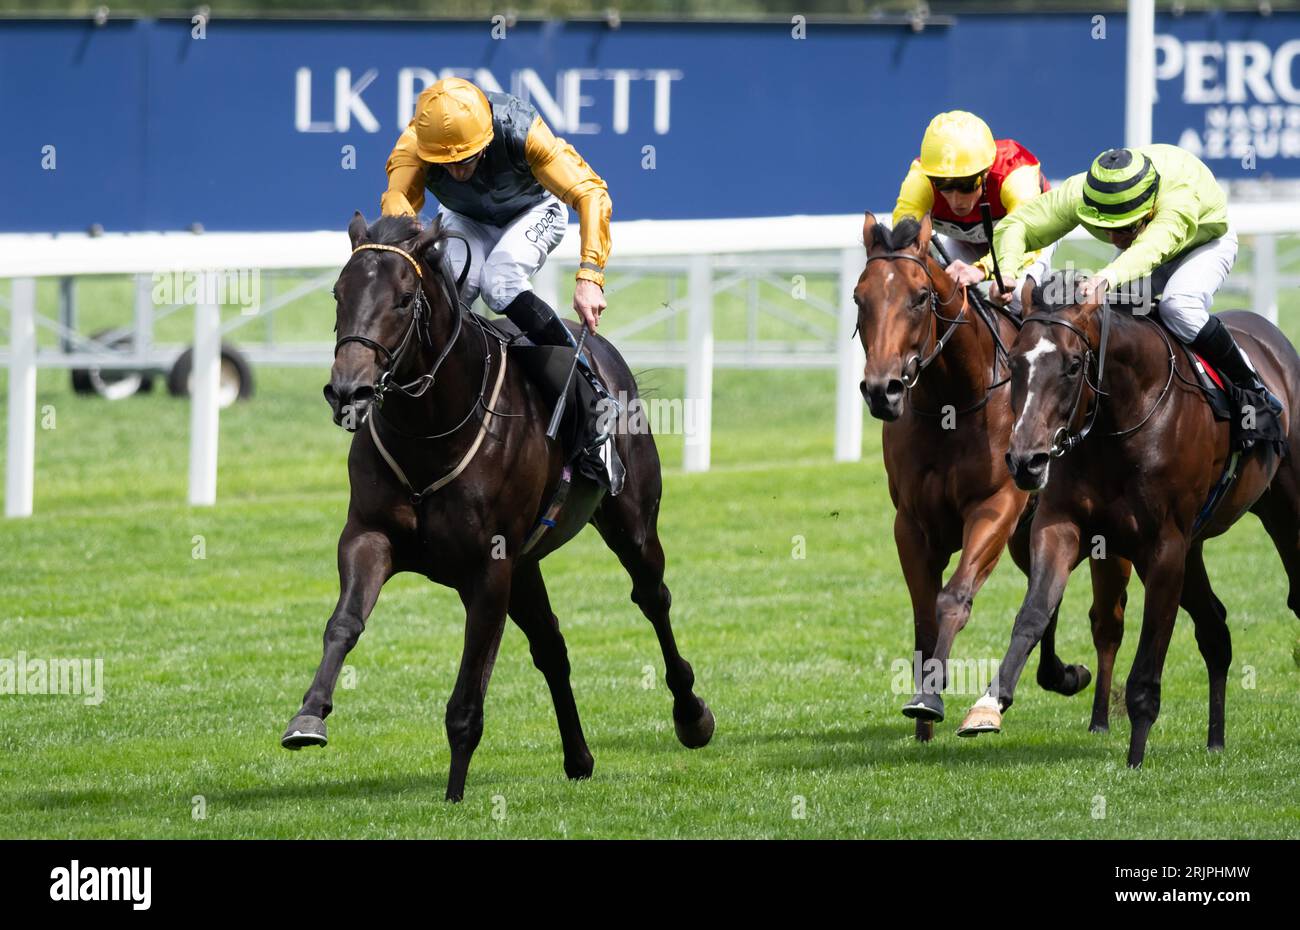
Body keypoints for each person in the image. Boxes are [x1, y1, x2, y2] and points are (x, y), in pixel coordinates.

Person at [379, 76, 615, 410]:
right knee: (451, 288)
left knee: (500, 281)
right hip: (465, 217)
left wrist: (590, 276)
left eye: (466, 159)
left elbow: (592, 193)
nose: (457, 172)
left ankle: (586, 385)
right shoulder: (414, 144)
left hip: (534, 210)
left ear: (487, 139)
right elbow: (397, 200)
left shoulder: (522, 130)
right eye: (445, 163)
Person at [992, 144, 1283, 414]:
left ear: (1150, 209)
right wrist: (1007, 270)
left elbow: (1152, 248)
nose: (1117, 239)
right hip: (1143, 252)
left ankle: (1251, 387)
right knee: (1108, 319)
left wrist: (1106, 277)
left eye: (1126, 228)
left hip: (1204, 243)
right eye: (1106, 229)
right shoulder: (1080, 192)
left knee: (1179, 307)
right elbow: (1019, 224)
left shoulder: (1178, 197)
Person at [893, 110, 1053, 315]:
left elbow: (1026, 237)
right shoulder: (920, 180)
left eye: (967, 184)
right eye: (942, 185)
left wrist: (983, 270)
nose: (956, 200)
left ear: (986, 172)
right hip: (964, 241)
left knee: (1018, 295)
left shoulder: (1015, 173)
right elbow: (901, 248)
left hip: (1029, 238)